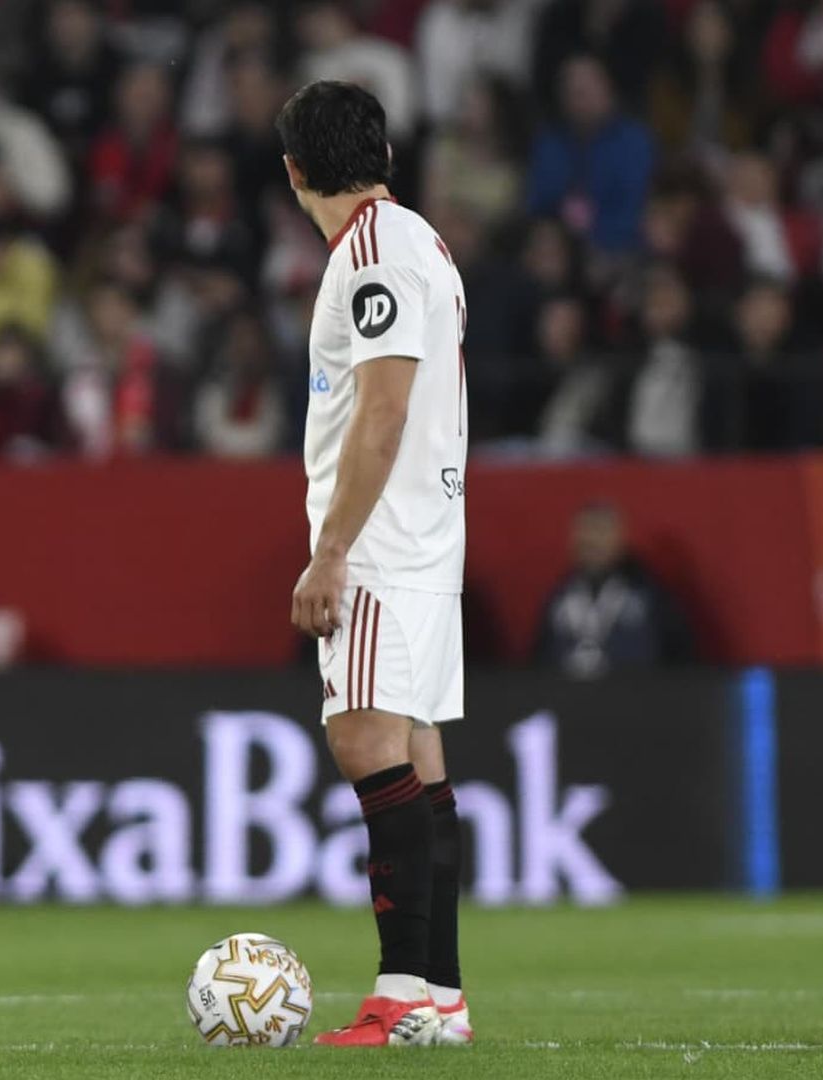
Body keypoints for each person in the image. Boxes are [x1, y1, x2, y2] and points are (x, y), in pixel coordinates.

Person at [280, 81, 471, 1048]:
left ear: (294, 172)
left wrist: (331, 551)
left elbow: (385, 411)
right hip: (429, 541)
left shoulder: (367, 254)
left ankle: (399, 995)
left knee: (366, 748)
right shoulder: (423, 240)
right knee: (421, 760)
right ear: (385, 155)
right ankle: (440, 1001)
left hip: (384, 547)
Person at [533, 502, 694, 677]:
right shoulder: (560, 596)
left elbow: (682, 659)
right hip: (567, 699)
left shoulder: (650, 595)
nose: (591, 541)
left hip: (636, 698)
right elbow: (537, 661)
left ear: (620, 538)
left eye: (600, 532)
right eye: (584, 534)